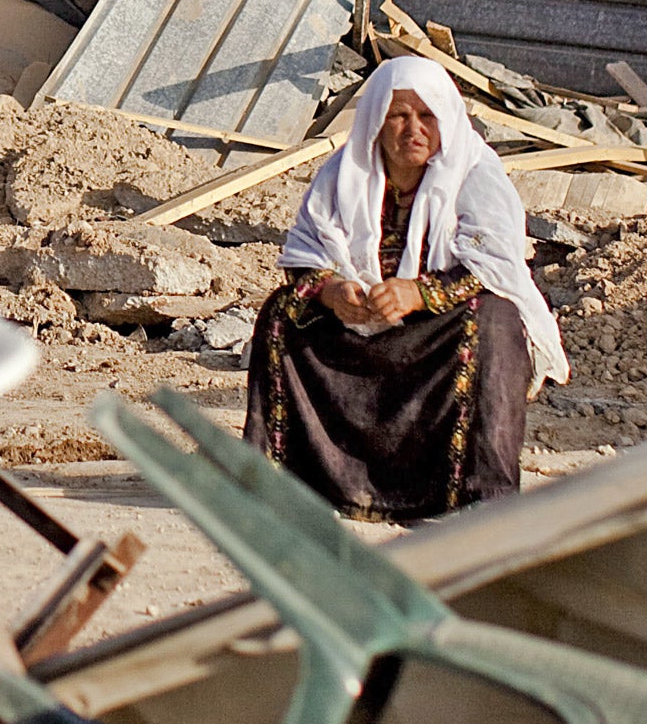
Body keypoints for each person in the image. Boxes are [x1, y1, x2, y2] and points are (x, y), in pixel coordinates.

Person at [243, 57, 568, 521]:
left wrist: (418, 293)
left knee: (496, 319)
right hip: (361, 330)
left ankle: (485, 495)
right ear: (376, 121)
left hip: (435, 338)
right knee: (283, 313)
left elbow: (496, 267)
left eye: (426, 116)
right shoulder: (343, 173)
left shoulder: (475, 172)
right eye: (398, 115)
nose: (412, 129)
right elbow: (303, 261)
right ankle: (282, 478)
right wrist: (335, 292)